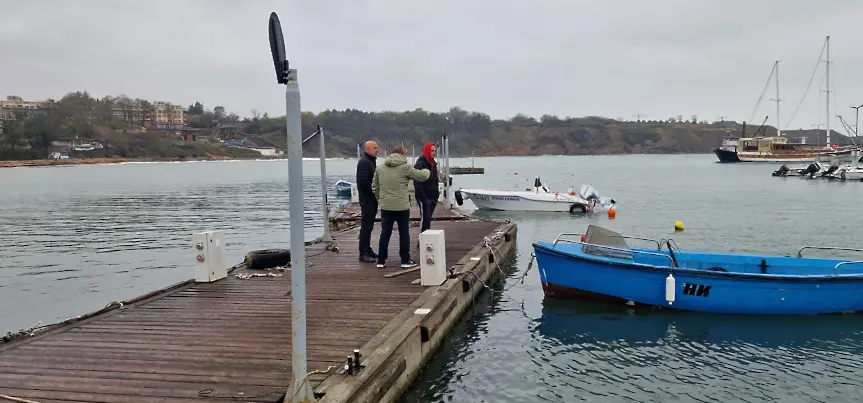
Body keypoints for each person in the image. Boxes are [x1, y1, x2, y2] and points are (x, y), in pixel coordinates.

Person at [372, 145, 430, 269]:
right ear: (402, 154)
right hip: (402, 207)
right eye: (406, 154)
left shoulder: (380, 167)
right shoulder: (405, 167)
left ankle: (381, 260)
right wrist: (427, 170)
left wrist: (381, 200)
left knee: (385, 233)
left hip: (386, 207)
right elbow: (422, 176)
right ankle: (404, 260)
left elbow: (375, 187)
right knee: (404, 234)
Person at [356, 140, 379, 263]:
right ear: (367, 149)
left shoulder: (371, 161)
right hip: (367, 199)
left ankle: (367, 248)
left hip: (372, 199)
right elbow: (363, 182)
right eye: (374, 147)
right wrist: (375, 190)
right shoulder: (365, 163)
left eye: (377, 147)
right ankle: (363, 252)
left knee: (369, 226)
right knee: (366, 226)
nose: (377, 149)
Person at [413, 142, 440, 235]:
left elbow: (435, 180)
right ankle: (422, 241)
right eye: (432, 150)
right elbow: (417, 182)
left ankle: (425, 239)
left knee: (428, 219)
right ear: (427, 151)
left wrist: (437, 194)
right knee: (425, 220)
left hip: (433, 196)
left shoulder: (434, 164)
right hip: (424, 197)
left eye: (435, 151)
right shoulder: (420, 164)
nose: (434, 152)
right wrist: (422, 197)